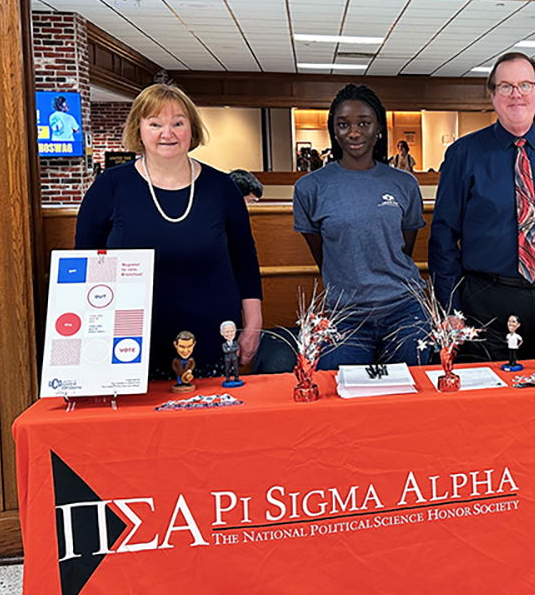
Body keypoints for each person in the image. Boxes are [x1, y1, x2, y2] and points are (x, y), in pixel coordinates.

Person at [75, 83, 263, 380]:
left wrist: (252, 325)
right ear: (139, 129)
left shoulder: (221, 188)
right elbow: (86, 263)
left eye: (178, 123)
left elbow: (245, 261)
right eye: (155, 123)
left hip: (212, 337)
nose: (168, 133)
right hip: (128, 342)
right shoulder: (109, 187)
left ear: (192, 129)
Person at [429, 52, 535, 362]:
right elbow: (444, 235)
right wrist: (450, 307)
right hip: (485, 302)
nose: (516, 94)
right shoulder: (464, 153)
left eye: (525, 85)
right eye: (505, 86)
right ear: (492, 96)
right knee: (489, 403)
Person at [291, 84, 429, 369]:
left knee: (409, 400)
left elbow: (403, 248)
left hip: (404, 310)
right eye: (343, 125)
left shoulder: (404, 184)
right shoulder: (310, 188)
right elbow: (323, 255)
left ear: (378, 128)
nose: (353, 133)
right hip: (345, 316)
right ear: (334, 130)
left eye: (363, 123)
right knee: (342, 401)